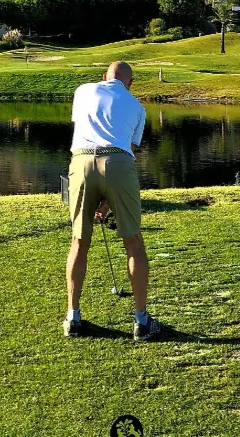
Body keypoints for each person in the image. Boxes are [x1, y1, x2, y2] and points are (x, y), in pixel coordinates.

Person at [63, 61, 160, 341]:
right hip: (118, 161)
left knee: (79, 241)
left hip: (80, 161)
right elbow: (127, 149)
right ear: (130, 83)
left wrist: (99, 197)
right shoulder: (137, 107)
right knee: (133, 241)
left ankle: (73, 317)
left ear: (104, 77)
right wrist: (107, 200)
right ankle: (141, 322)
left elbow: (83, 127)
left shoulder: (83, 90)